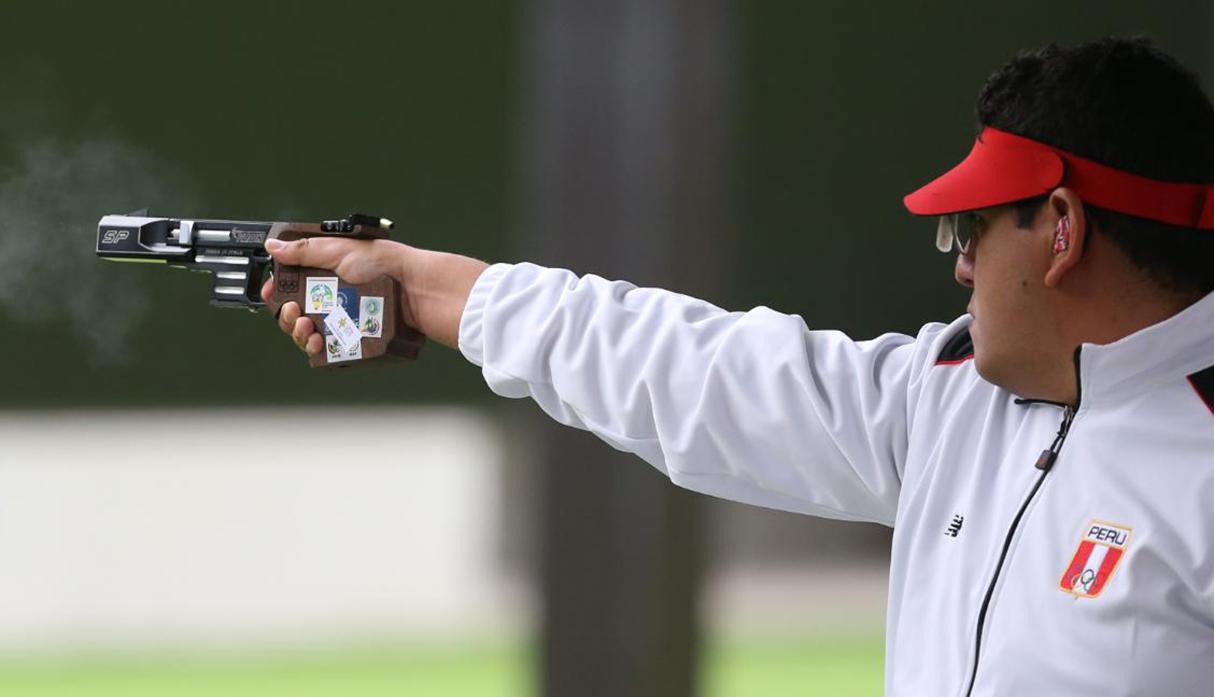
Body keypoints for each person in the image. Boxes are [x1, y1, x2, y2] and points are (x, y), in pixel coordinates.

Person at [261, 38, 1214, 695]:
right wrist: (429, 291)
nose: (961, 263)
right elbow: (691, 368)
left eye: (971, 228)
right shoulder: (949, 394)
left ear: (1060, 231)